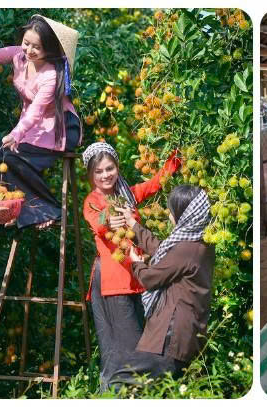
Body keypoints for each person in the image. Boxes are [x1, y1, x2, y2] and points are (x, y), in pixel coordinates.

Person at [80, 142, 179, 392]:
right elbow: (98, 223)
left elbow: (156, 182)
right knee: (132, 347)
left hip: (133, 280)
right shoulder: (92, 201)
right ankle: (124, 393)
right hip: (113, 282)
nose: (105, 175)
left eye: (109, 168)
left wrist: (178, 156)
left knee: (123, 347)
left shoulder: (127, 195)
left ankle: (113, 394)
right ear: (90, 174)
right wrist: (109, 219)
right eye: (99, 171)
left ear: (117, 167)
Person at [0, 15, 82, 229]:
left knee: (12, 156)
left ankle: (48, 210)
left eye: (37, 47)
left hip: (59, 127)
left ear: (49, 49)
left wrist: (16, 134)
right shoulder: (19, 55)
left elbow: (36, 111)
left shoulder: (51, 74)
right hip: (34, 127)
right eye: (26, 43)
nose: (29, 50)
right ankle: (6, 207)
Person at [126, 185, 214, 378]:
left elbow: (150, 278)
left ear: (185, 215)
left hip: (170, 336)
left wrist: (136, 264)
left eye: (172, 211)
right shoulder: (200, 242)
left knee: (127, 381)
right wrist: (133, 225)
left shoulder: (186, 248)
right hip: (186, 333)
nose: (169, 214)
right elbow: (164, 253)